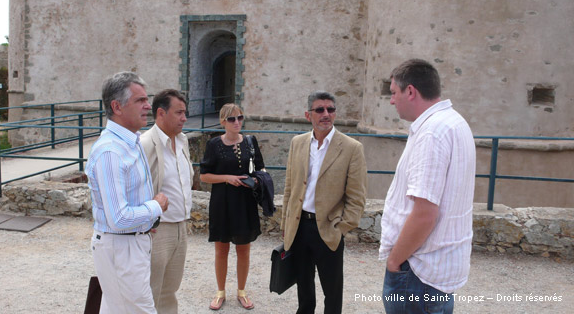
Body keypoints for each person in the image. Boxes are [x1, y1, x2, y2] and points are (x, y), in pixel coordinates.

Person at [379, 59, 476, 313]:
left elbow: (425, 213)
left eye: (394, 93)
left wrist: (394, 260)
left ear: (410, 91)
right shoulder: (455, 122)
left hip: (418, 271)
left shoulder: (432, 133)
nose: (391, 100)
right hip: (436, 270)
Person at [86, 71, 168, 313]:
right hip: (121, 248)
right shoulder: (111, 151)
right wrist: (156, 206)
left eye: (147, 99)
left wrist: (148, 219)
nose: (148, 105)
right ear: (117, 107)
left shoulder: (131, 141)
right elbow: (119, 218)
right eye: (140, 100)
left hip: (130, 244)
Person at [281, 91, 367, 314]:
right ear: (308, 114)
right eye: (320, 110)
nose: (326, 114)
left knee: (332, 290)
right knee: (304, 288)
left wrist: (341, 228)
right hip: (299, 226)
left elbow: (357, 197)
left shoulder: (351, 148)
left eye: (331, 109)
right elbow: (290, 188)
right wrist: (286, 224)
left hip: (329, 228)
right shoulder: (297, 143)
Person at [199, 103, 265, 311]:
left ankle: (242, 292)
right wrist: (227, 178)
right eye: (231, 119)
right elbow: (204, 175)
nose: (237, 122)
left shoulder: (251, 142)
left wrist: (256, 180)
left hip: (245, 202)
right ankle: (220, 292)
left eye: (240, 118)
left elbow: (261, 168)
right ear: (222, 122)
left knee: (244, 250)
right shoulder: (214, 144)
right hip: (222, 202)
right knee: (221, 250)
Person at [140, 89, 193, 314]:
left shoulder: (182, 141)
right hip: (158, 231)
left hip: (181, 226)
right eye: (179, 112)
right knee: (150, 291)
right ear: (161, 113)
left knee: (170, 290)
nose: (184, 118)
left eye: (185, 112)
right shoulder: (145, 144)